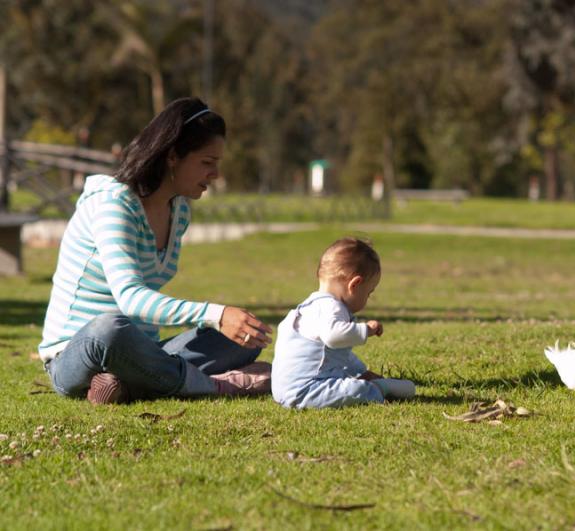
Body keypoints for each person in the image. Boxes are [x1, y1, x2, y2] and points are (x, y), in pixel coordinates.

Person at [38, 97, 272, 404]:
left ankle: (126, 384)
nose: (215, 174)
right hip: (77, 353)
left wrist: (225, 322)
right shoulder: (113, 205)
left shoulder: (179, 212)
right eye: (207, 162)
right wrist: (216, 313)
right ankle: (216, 386)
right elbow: (131, 298)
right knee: (109, 328)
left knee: (243, 338)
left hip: (145, 351)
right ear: (173, 155)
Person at [271, 237, 415, 409]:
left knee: (349, 381)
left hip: (282, 391)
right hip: (308, 390)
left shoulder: (310, 306)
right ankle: (382, 388)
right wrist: (366, 330)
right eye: (368, 293)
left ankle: (375, 383)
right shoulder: (332, 307)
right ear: (355, 285)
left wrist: (362, 371)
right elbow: (334, 337)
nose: (367, 299)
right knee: (359, 390)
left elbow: (338, 354)